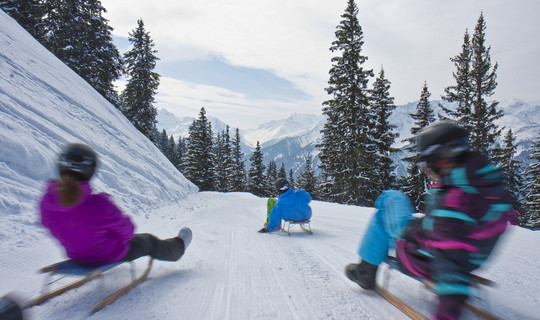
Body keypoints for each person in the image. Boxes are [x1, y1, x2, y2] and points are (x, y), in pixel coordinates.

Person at [345, 121, 514, 320]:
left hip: (417, 255)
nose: (425, 170)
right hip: (465, 256)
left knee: (389, 199)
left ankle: (366, 271)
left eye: (425, 162)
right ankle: (367, 267)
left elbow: (451, 266)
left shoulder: (454, 203)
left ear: (439, 158)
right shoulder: (487, 186)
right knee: (393, 203)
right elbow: (455, 237)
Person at [40, 143, 192, 267]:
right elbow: (128, 231)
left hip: (76, 256)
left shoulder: (47, 202)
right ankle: (179, 247)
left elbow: (50, 226)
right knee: (149, 241)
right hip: (109, 254)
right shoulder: (98, 204)